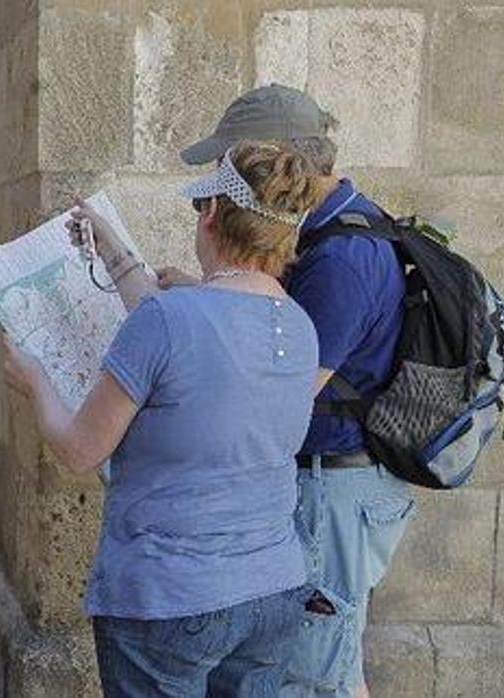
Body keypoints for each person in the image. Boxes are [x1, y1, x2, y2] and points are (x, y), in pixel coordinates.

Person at [6, 141, 323, 698]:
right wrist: (116, 252)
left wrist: (34, 380)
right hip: (272, 590)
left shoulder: (171, 317)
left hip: (170, 597)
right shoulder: (299, 326)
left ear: (211, 215)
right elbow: (182, 330)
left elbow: (82, 450)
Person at [171, 84, 413, 698]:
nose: (225, 181)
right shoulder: (326, 232)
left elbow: (282, 393)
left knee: (311, 675)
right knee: (329, 667)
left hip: (329, 489)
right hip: (326, 482)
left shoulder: (343, 258)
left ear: (279, 160)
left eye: (229, 165)